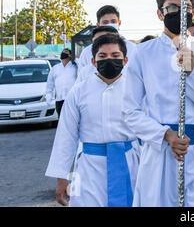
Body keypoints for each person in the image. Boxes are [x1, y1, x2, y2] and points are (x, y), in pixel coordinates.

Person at [123, 0, 194, 207]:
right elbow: (130, 112)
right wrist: (165, 134)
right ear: (160, 13)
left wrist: (191, 75)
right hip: (160, 150)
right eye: (172, 8)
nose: (180, 12)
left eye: (186, 7)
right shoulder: (143, 53)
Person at [45, 34, 140, 207]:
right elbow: (66, 135)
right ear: (93, 62)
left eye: (115, 56)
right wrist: (62, 177)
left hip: (129, 162)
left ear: (125, 60)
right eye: (102, 56)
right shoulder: (79, 92)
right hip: (89, 166)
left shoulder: (136, 89)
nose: (109, 60)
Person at [77, 5, 136, 70]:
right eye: (105, 22)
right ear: (98, 25)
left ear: (119, 23)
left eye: (113, 21)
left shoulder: (132, 49)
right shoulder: (86, 53)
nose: (110, 24)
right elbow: (81, 77)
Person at [45, 48, 78, 117]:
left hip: (72, 100)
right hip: (59, 100)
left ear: (70, 57)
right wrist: (49, 95)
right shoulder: (55, 68)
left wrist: (76, 60)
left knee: (73, 119)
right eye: (63, 56)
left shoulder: (75, 67)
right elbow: (50, 84)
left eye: (66, 56)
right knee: (61, 120)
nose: (64, 59)